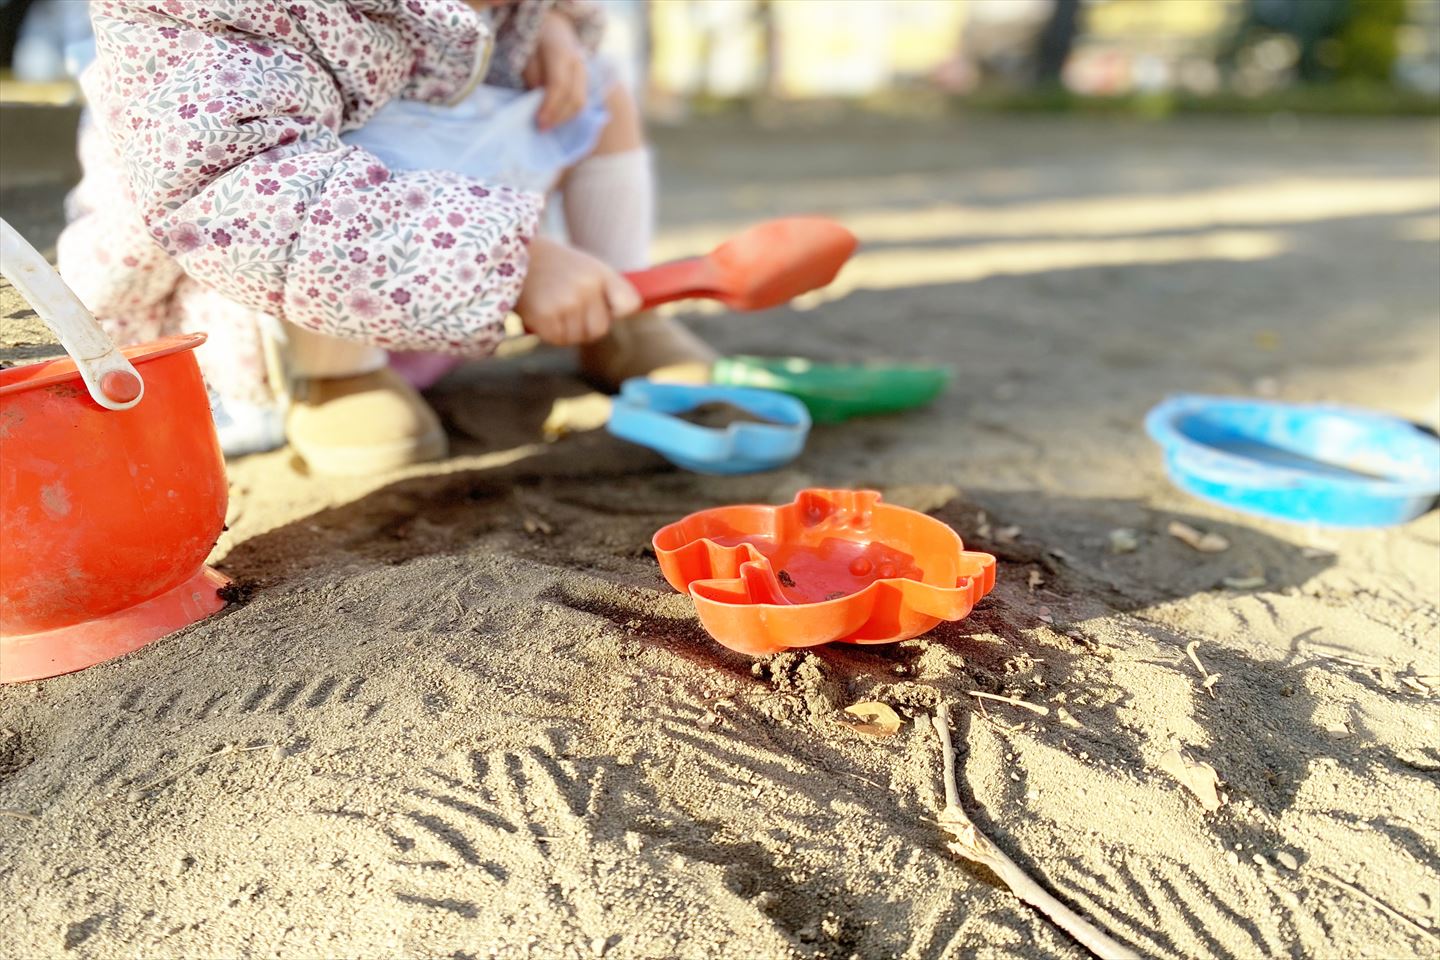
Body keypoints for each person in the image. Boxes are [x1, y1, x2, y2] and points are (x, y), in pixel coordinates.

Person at [57, 0, 714, 475]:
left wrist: (549, 22)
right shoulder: (218, 21)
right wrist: (508, 260)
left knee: (597, 85)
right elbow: (247, 192)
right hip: (266, 302)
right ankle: (337, 382)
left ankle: (624, 308)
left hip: (438, 296)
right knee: (329, 161)